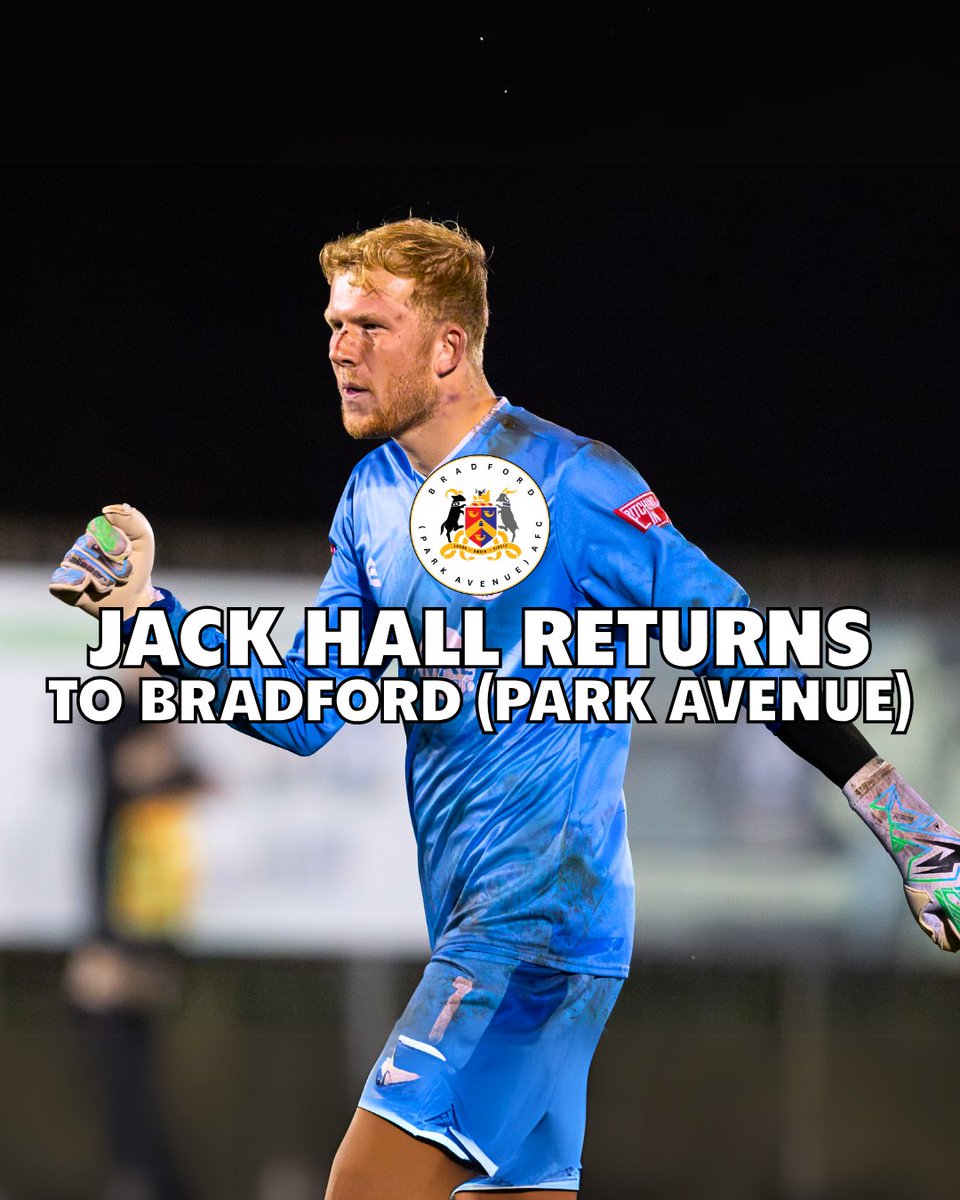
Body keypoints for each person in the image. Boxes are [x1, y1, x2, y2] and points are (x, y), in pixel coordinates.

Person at [50, 218, 960, 1199]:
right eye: (335, 325)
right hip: (487, 931)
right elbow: (305, 707)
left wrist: (911, 829)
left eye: (371, 326)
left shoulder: (573, 481)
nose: (341, 349)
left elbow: (742, 649)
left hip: (535, 933)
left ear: (448, 347)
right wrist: (145, 615)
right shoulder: (372, 498)